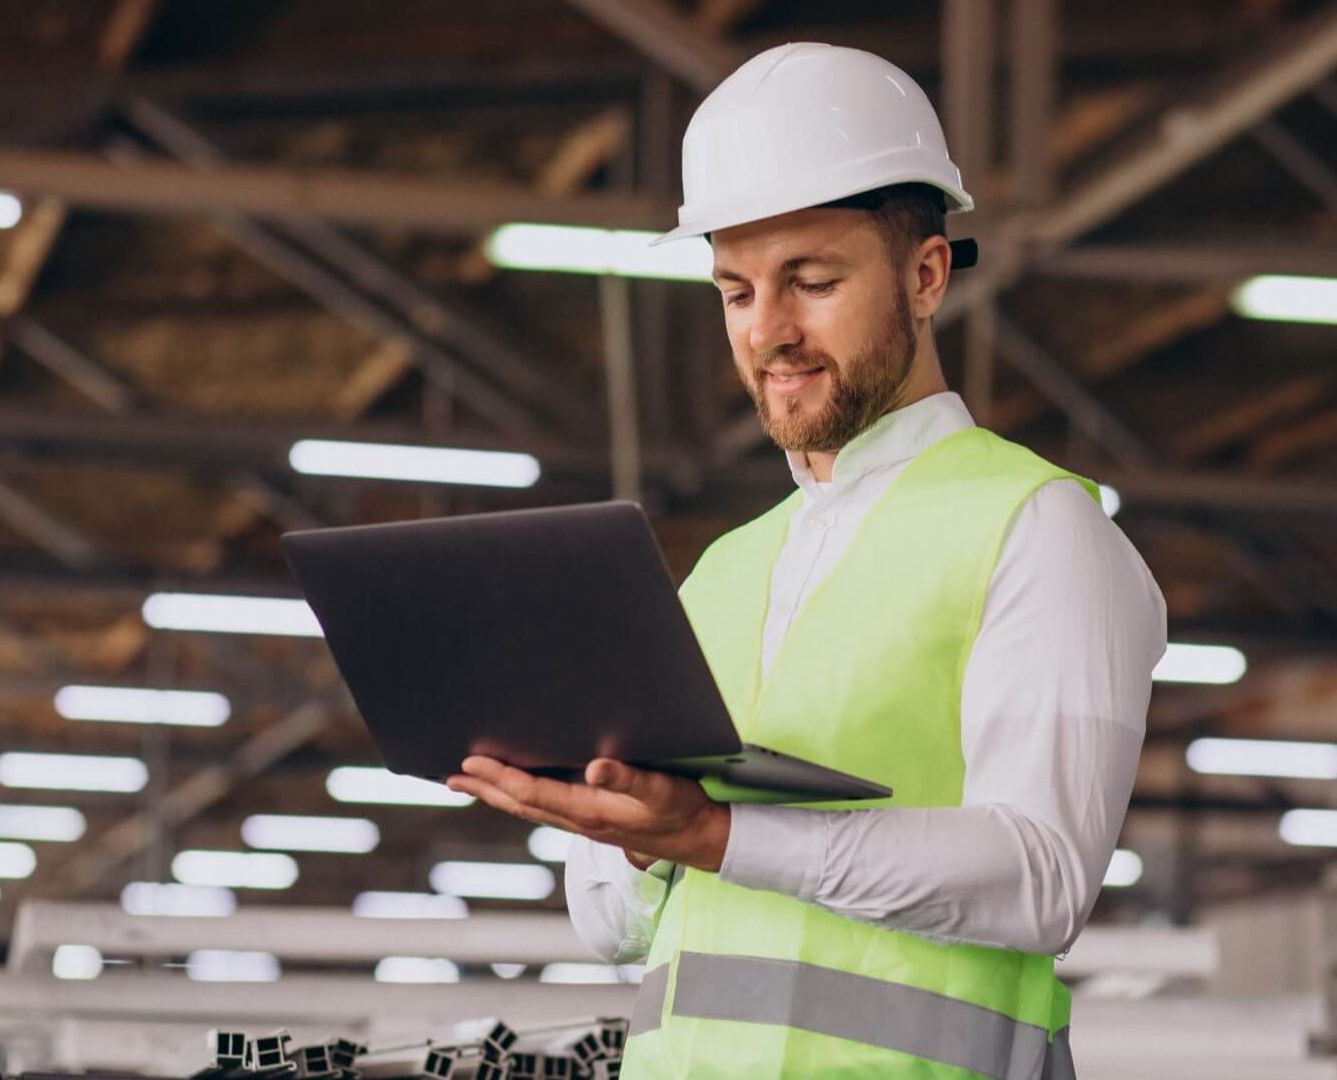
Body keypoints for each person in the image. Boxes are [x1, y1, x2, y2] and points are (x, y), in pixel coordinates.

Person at [446, 42, 1165, 1079]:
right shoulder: (721, 574)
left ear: (926, 276)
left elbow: (1042, 879)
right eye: (736, 292)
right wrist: (632, 833)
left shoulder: (1040, 528)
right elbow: (614, 929)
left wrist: (714, 833)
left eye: (812, 281)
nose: (769, 332)